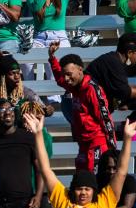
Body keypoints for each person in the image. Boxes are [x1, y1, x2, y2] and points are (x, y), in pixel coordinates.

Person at [49, 43, 116, 171]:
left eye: (69, 74)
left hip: (97, 143)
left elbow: (105, 117)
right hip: (83, 144)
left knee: (93, 181)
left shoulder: (92, 89)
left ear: (80, 69)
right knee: (82, 178)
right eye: (65, 75)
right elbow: (59, 78)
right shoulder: (74, 86)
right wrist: (52, 58)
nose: (67, 79)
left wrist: (112, 147)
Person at [86, 34, 136, 110]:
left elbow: (120, 86)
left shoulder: (112, 59)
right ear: (129, 53)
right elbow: (124, 92)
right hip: (85, 104)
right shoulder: (114, 63)